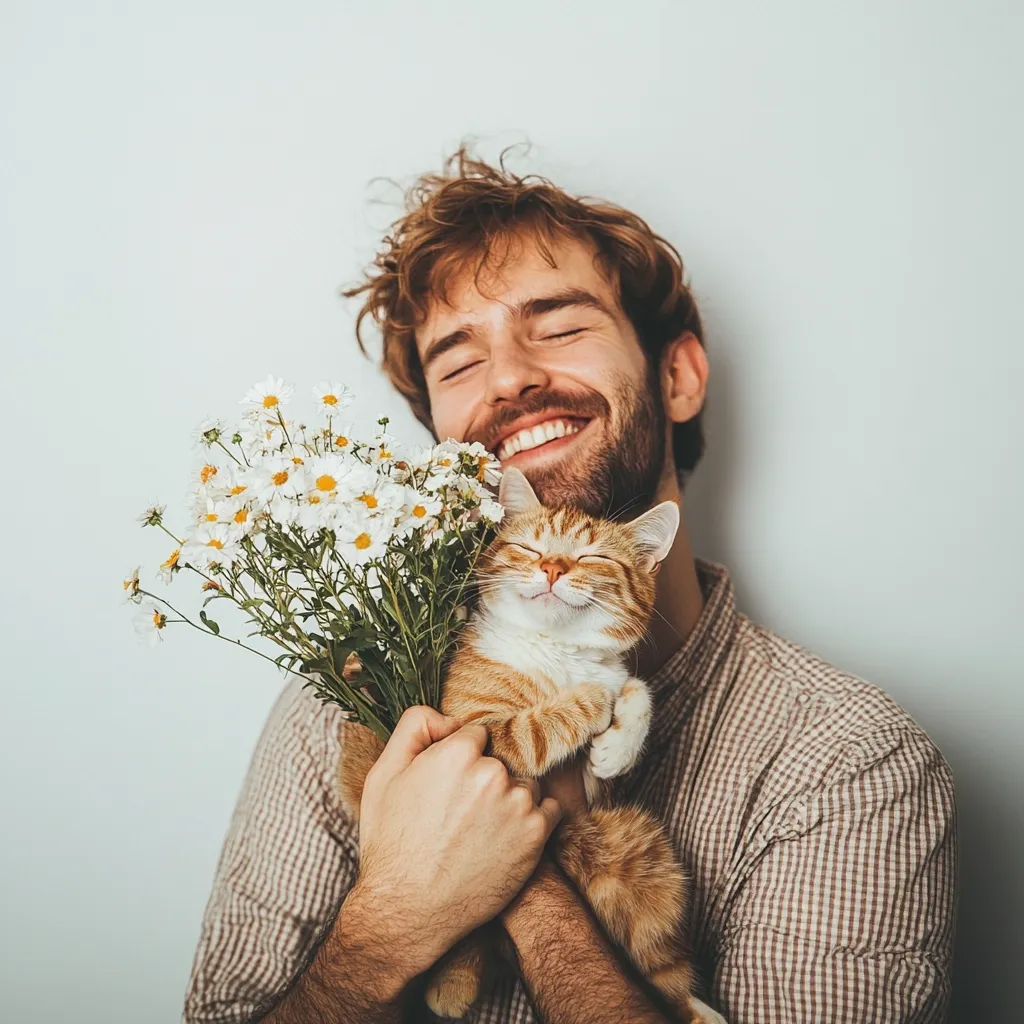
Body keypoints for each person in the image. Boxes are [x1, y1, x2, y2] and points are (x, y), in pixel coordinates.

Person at [182, 148, 957, 1024]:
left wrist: (524, 873)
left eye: (555, 324)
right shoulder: (343, 706)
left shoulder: (845, 761)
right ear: (445, 448)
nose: (509, 377)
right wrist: (395, 916)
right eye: (457, 361)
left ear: (678, 377)